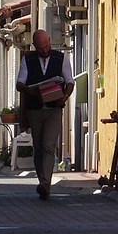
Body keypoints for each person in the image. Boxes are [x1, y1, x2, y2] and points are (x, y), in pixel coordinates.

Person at [16, 30, 74, 200]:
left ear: (49, 40)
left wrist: (64, 97)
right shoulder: (27, 60)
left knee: (49, 146)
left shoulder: (61, 58)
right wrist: (30, 90)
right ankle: (42, 181)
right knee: (39, 148)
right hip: (34, 110)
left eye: (46, 46)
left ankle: (45, 183)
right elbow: (20, 83)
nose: (44, 50)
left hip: (54, 109)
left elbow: (70, 82)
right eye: (40, 48)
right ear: (35, 46)